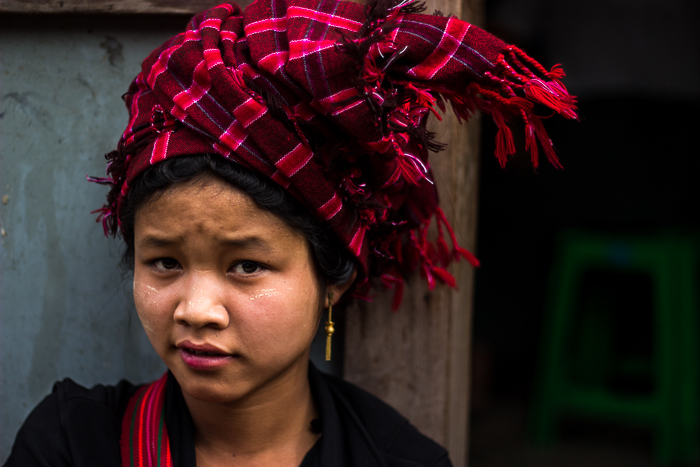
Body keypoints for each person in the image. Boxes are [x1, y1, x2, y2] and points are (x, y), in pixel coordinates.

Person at [3, 0, 576, 465]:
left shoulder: (397, 461)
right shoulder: (71, 444)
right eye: (164, 263)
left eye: (246, 266)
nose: (197, 310)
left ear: (335, 279)